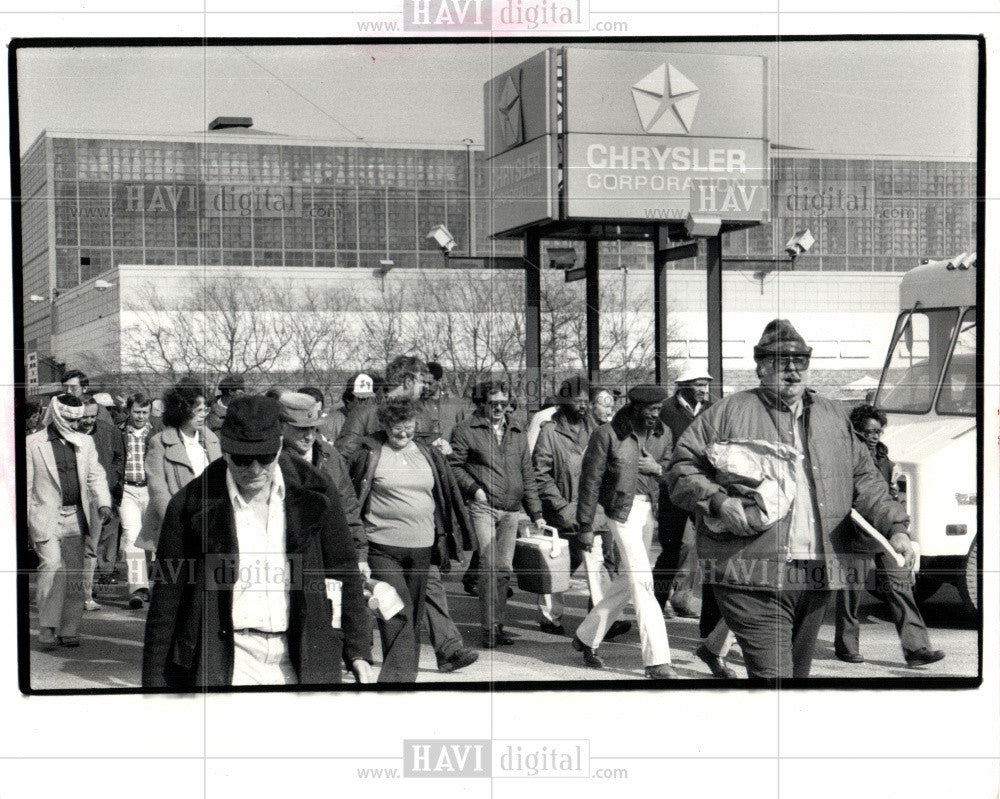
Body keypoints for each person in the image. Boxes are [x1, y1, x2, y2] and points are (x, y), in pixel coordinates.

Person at [667, 319, 916, 679]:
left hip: (816, 573)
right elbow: (680, 470)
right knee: (775, 679)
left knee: (796, 679)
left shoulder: (832, 416)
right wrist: (720, 502)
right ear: (761, 367)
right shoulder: (727, 413)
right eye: (781, 361)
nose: (793, 370)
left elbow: (865, 480)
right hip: (748, 571)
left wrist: (896, 528)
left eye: (801, 361)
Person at [142, 395, 373, 687]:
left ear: (279, 445)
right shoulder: (190, 506)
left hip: (301, 651)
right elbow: (167, 600)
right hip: (227, 656)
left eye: (264, 457)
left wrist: (357, 649)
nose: (253, 469)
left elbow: (343, 569)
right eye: (241, 458)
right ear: (224, 451)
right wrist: (153, 686)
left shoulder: (316, 490)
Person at [333, 357, 477, 672]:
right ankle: (382, 663)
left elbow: (425, 457)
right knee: (393, 605)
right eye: (422, 380)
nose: (426, 387)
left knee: (417, 599)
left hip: (422, 538)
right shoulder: (364, 414)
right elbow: (341, 461)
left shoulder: (421, 415)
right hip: (380, 535)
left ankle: (443, 651)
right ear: (408, 380)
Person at [572, 385, 677, 679]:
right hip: (620, 513)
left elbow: (672, 470)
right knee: (643, 581)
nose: (656, 416)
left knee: (629, 579)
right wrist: (585, 526)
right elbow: (590, 483)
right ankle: (657, 661)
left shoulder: (663, 433)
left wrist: (657, 468)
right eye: (650, 410)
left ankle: (586, 635)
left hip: (648, 511)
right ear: (634, 407)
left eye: (659, 410)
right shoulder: (606, 434)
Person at [834, 405, 945, 668]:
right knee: (851, 593)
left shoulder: (885, 459)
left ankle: (917, 648)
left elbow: (888, 496)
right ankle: (846, 647)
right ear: (857, 430)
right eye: (869, 431)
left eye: (879, 431)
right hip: (855, 531)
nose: (874, 436)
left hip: (885, 533)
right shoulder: (846, 455)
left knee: (900, 588)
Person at [654, 364, 737, 678]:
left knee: (711, 556)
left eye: (707, 384)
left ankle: (706, 627)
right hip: (675, 491)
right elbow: (658, 452)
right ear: (683, 385)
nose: (705, 389)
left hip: (705, 492)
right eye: (700, 384)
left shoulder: (713, 410)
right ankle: (657, 603)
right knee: (674, 551)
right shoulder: (665, 412)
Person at [532, 376, 630, 640]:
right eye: (578, 401)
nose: (584, 406)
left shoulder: (598, 430)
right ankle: (549, 617)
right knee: (559, 564)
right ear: (564, 402)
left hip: (590, 510)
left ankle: (605, 620)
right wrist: (561, 507)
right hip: (561, 511)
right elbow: (540, 474)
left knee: (596, 561)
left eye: (587, 401)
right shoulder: (549, 432)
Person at [450, 379, 544, 648]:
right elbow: (453, 466)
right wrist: (475, 489)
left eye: (504, 403)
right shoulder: (465, 430)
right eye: (493, 403)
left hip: (511, 510)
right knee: (490, 567)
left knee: (503, 570)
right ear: (482, 403)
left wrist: (536, 512)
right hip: (483, 507)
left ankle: (497, 624)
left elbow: (527, 473)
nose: (499, 408)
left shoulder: (517, 430)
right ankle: (489, 628)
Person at [26, 394, 112, 647]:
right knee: (52, 567)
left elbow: (96, 475)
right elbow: (26, 486)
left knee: (74, 574)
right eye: (69, 420)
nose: (76, 425)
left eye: (79, 420)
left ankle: (69, 628)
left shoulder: (85, 442)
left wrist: (104, 502)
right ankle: (48, 627)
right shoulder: (32, 443)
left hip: (76, 515)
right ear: (56, 414)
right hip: (45, 516)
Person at [136, 381, 221, 609]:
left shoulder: (212, 440)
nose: (203, 414)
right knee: (174, 597)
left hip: (210, 527)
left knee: (206, 596)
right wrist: (178, 522)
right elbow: (158, 489)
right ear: (181, 409)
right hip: (176, 529)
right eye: (198, 408)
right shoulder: (159, 442)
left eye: (206, 408)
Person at [78, 395, 125, 610]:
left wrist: (113, 479)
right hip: (72, 498)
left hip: (98, 496)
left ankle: (85, 596)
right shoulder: (69, 433)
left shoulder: (108, 432)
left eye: (93, 416)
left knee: (91, 548)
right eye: (85, 416)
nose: (89, 421)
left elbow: (119, 457)